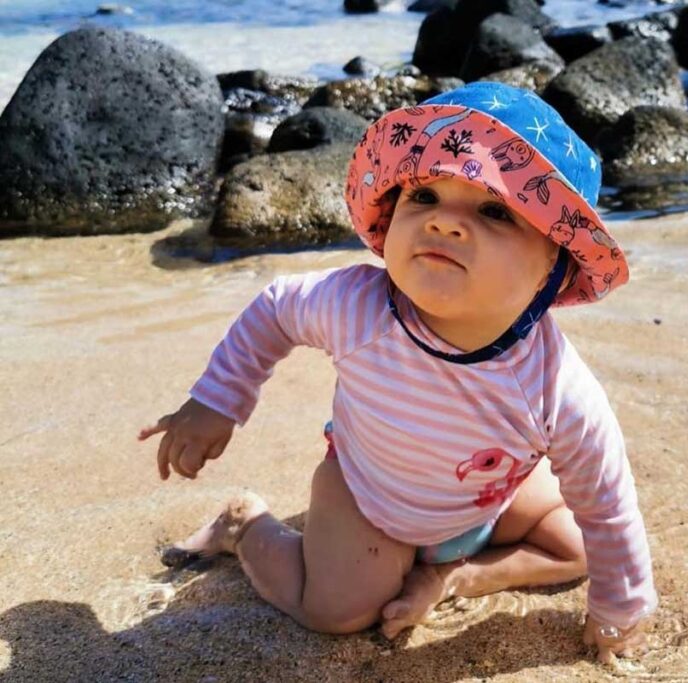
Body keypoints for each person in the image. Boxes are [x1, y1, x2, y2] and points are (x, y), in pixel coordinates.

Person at [139, 82, 657, 663]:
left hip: (487, 500)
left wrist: (619, 611)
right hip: (368, 498)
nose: (446, 223)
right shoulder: (358, 308)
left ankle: (454, 577)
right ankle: (244, 526)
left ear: (553, 272)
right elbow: (276, 309)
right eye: (425, 197)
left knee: (582, 545)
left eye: (493, 210)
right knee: (335, 612)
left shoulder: (556, 388)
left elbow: (608, 505)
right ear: (390, 220)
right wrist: (217, 400)